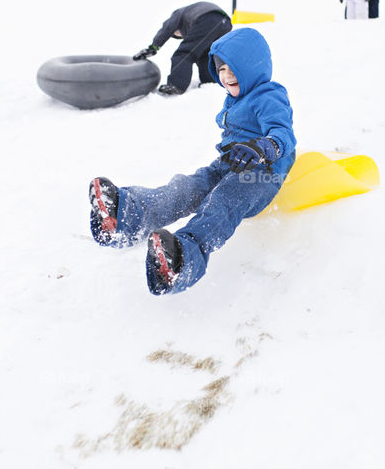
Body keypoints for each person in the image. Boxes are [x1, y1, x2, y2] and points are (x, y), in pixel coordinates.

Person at [91, 27, 296, 296]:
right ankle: (126, 215)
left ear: (253, 66)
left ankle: (182, 260)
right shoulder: (235, 99)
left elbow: (283, 133)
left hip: (260, 174)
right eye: (221, 69)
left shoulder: (269, 95)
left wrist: (264, 146)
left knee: (222, 202)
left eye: (234, 67)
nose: (226, 75)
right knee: (186, 188)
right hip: (227, 165)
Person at [133, 1, 232, 95]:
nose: (181, 36)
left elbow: (167, 28)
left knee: (184, 54)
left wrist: (154, 47)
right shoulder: (190, 13)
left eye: (178, 35)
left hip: (207, 18)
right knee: (204, 55)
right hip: (225, 23)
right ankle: (209, 81)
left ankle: (176, 85)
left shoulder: (178, 14)